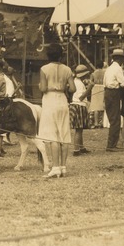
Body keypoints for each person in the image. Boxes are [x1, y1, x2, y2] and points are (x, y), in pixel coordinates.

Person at [39, 43, 75, 178]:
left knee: (53, 135)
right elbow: (72, 89)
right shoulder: (67, 69)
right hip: (62, 100)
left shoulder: (44, 69)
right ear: (61, 55)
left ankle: (55, 167)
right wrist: (62, 86)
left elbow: (42, 88)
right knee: (63, 133)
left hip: (50, 100)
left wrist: (47, 86)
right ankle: (63, 167)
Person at [103, 48, 124, 151]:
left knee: (112, 118)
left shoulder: (109, 68)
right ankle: (111, 145)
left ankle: (112, 143)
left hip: (107, 92)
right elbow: (123, 83)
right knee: (115, 119)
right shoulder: (118, 68)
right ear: (120, 59)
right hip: (114, 93)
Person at [70, 64, 91, 156]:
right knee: (78, 129)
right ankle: (76, 150)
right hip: (79, 106)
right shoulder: (78, 83)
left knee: (80, 128)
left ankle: (81, 147)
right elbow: (81, 97)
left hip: (79, 105)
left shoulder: (78, 82)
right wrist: (90, 88)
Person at [88, 61, 107, 128]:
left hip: (95, 87)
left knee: (95, 106)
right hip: (102, 87)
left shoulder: (93, 73)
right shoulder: (105, 73)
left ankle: (96, 123)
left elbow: (91, 82)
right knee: (102, 105)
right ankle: (101, 122)